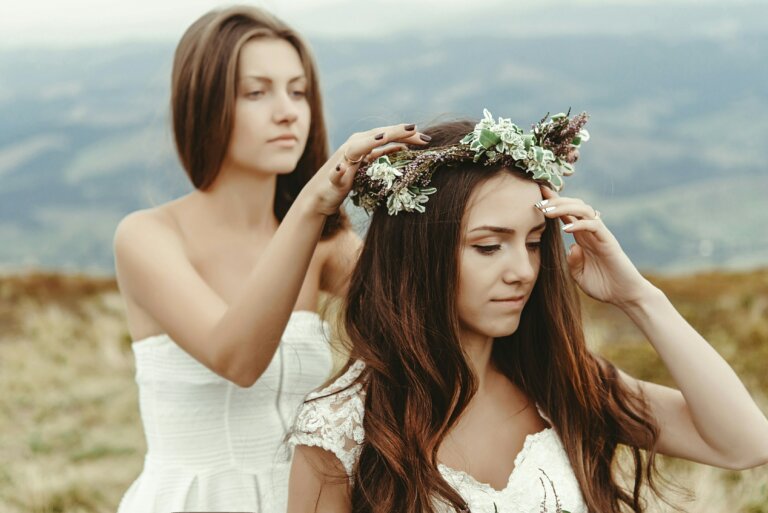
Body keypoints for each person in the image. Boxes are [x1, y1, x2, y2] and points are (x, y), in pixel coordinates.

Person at [286, 111, 768, 513]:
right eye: (490, 246)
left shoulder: (563, 384)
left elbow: (745, 443)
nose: (523, 270)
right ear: (419, 254)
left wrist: (638, 297)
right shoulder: (341, 428)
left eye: (535, 243)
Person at [113, 5, 430, 512]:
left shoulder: (325, 242)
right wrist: (313, 201)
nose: (288, 111)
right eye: (256, 92)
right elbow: (237, 359)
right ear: (204, 103)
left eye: (298, 91)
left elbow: (430, 312)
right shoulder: (147, 236)